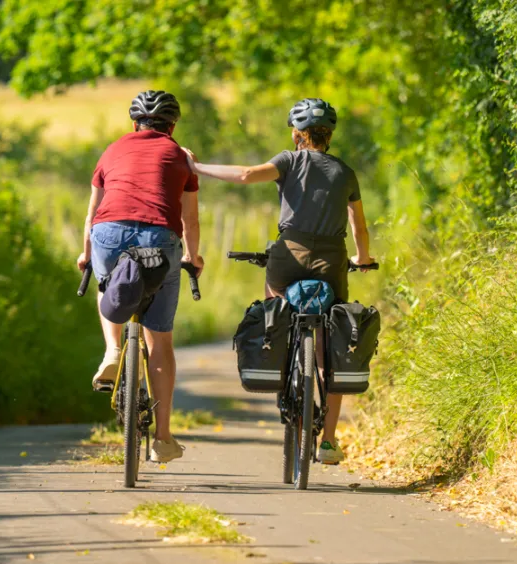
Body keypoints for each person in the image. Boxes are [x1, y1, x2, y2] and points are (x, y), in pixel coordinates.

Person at [184, 98, 373, 465]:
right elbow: (359, 226)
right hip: (332, 260)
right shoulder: (346, 172)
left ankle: (280, 357)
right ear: (329, 135)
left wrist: (197, 166)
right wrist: (362, 259)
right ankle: (330, 440)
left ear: (297, 133)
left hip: (288, 254)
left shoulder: (289, 160)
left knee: (277, 312)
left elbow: (244, 175)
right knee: (328, 347)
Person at [77, 90, 203, 463]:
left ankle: (112, 350)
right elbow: (189, 220)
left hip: (108, 234)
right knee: (160, 341)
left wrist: (86, 255)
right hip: (159, 239)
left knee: (107, 283)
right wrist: (193, 258)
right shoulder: (181, 156)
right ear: (173, 126)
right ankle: (162, 439)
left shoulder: (112, 150)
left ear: (134, 123)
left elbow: (92, 213)